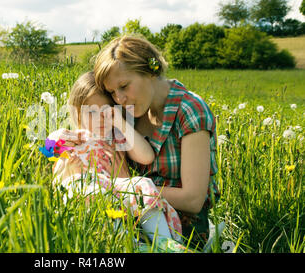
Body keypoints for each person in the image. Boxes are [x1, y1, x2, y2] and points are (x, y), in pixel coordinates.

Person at [93, 35, 220, 249]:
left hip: (185, 225)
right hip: (136, 212)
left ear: (151, 71)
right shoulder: (129, 113)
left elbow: (192, 199)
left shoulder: (189, 110)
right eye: (112, 92)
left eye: (124, 85)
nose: (119, 98)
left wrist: (125, 192)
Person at [48, 71, 184, 246]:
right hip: (85, 194)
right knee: (86, 188)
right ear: (78, 114)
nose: (100, 118)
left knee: (143, 184)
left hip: (115, 188)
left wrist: (120, 122)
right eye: (91, 112)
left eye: (106, 111)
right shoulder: (74, 139)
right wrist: (54, 139)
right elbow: (50, 161)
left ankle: (166, 243)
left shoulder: (117, 138)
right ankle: (128, 244)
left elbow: (147, 156)